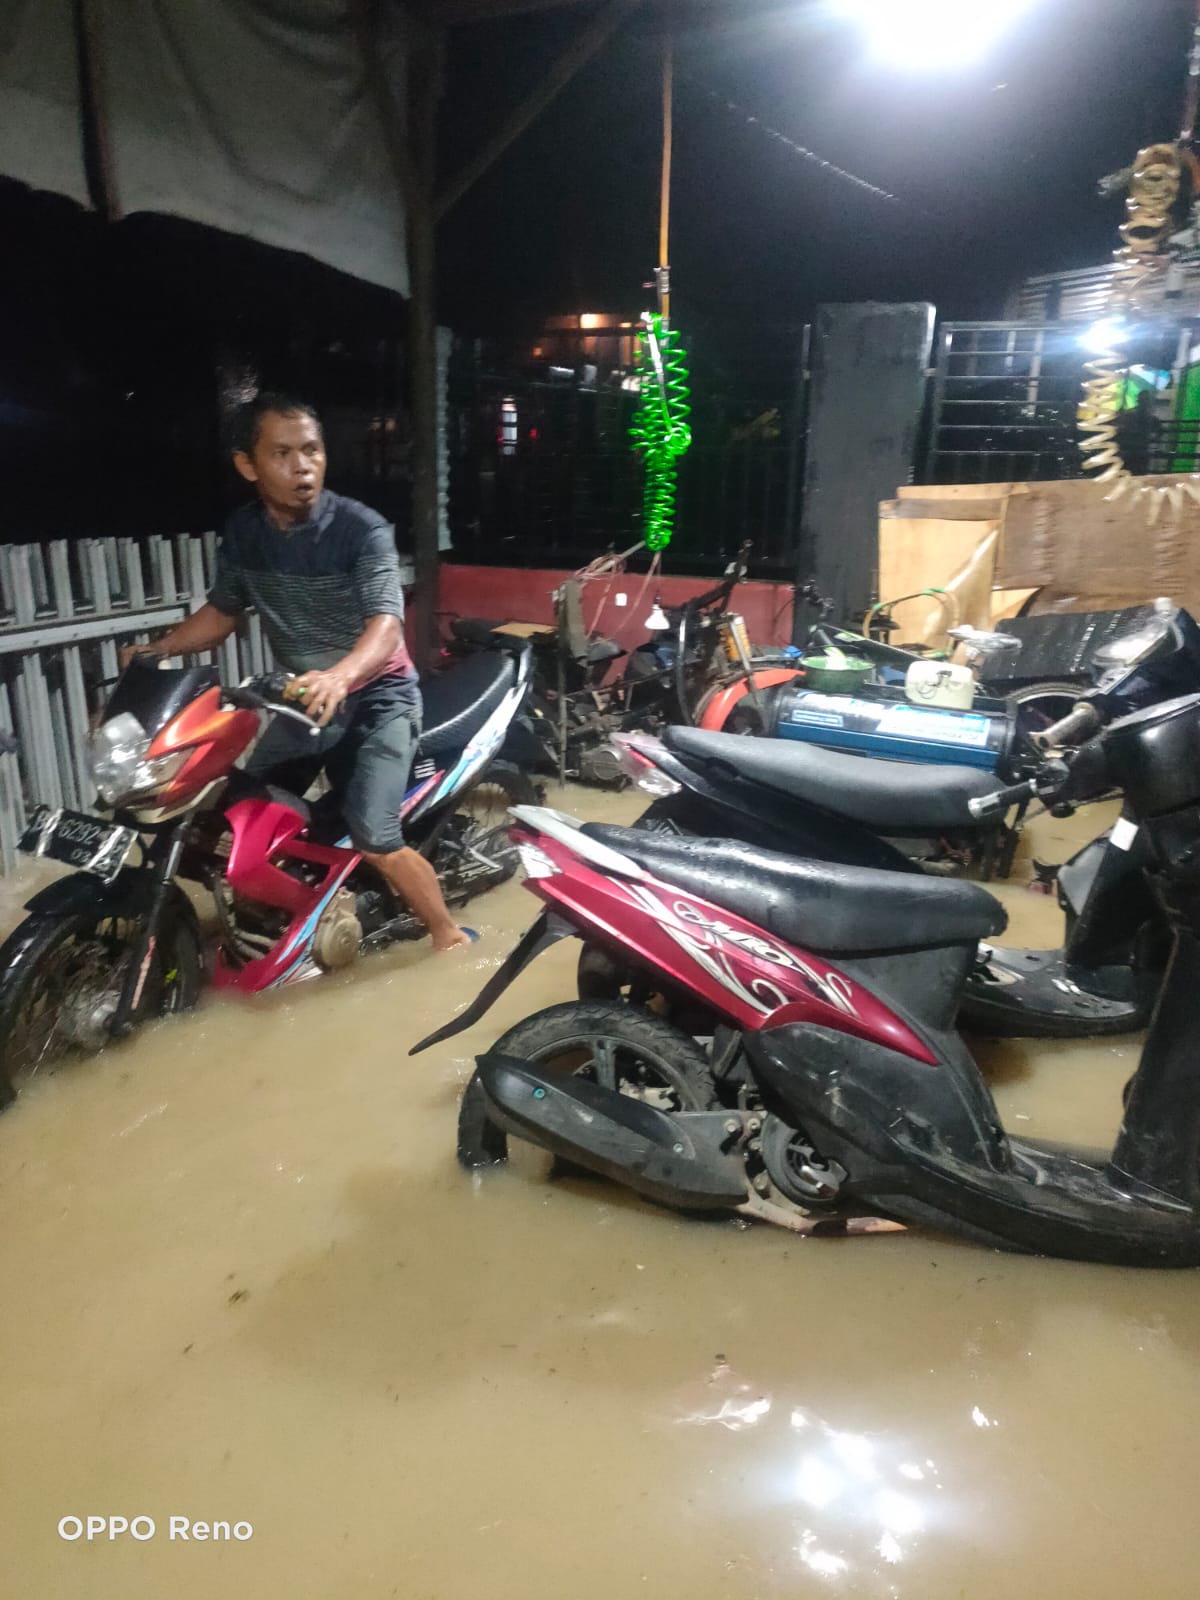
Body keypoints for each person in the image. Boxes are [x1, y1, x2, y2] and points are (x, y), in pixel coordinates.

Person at [122, 392, 472, 952]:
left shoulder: (362, 529)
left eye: (311, 450)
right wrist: (156, 648)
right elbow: (223, 613)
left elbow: (385, 627)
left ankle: (448, 936)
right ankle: (286, 910)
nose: (302, 466)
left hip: (380, 695)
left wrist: (341, 675)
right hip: (302, 700)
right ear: (248, 465)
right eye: (282, 454)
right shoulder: (244, 533)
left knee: (375, 836)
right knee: (246, 813)